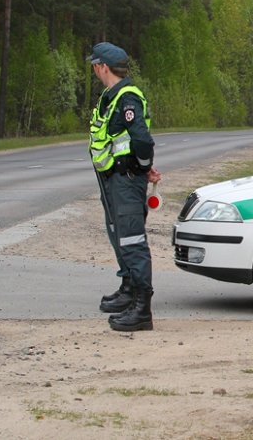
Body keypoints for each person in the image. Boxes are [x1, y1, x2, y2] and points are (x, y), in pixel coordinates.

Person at [87, 42, 161, 331]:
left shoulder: (127, 97)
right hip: (114, 178)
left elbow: (142, 140)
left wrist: (141, 168)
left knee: (132, 240)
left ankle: (142, 309)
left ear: (103, 67)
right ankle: (129, 290)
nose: (94, 70)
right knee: (119, 234)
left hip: (126, 179)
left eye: (95, 65)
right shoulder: (111, 95)